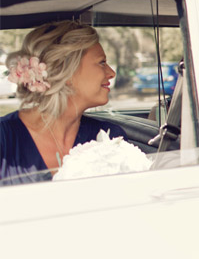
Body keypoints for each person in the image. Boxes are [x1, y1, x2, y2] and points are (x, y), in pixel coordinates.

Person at [0, 21, 127, 185]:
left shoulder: (110, 137)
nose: (112, 72)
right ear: (66, 71)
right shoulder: (4, 140)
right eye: (102, 62)